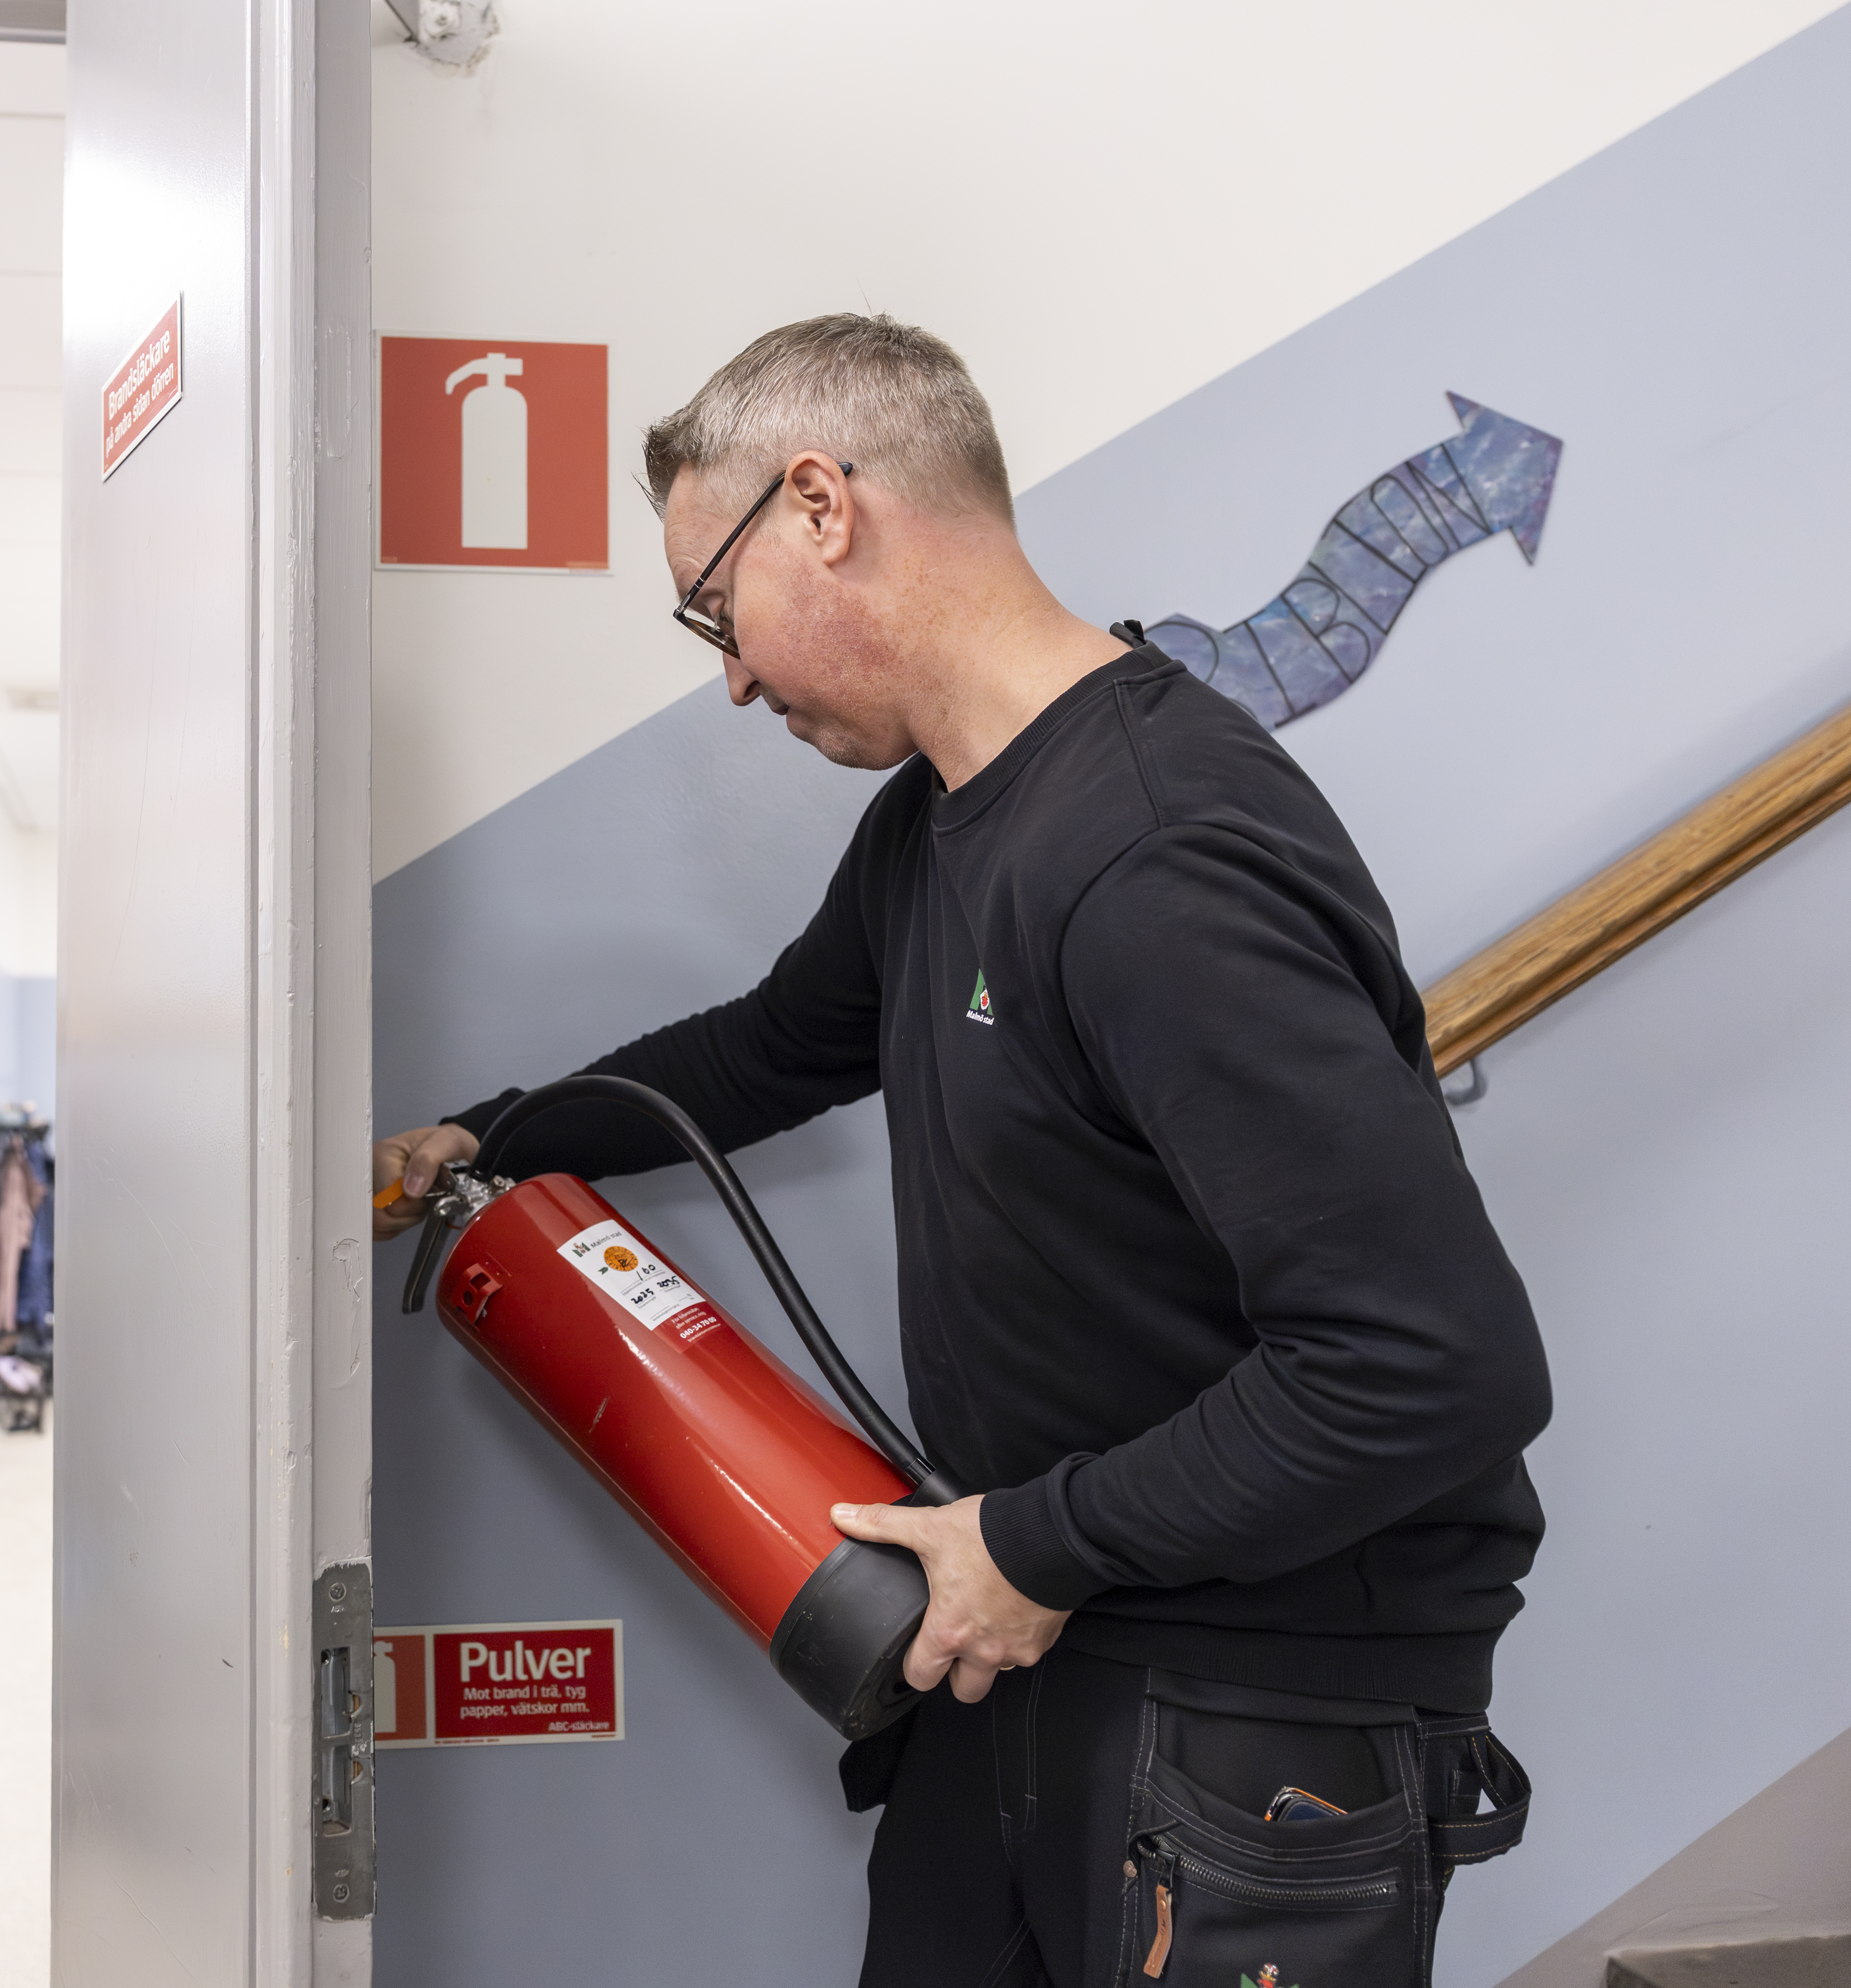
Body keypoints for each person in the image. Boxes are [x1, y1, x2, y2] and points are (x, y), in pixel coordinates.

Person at [373, 316, 1549, 1987]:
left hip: (1247, 1698)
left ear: (820, 507)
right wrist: (485, 1139)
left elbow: (1433, 1364)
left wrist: (1032, 1547)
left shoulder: (1152, 852)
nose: (728, 675)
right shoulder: (937, 818)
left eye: (715, 609)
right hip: (1029, 1639)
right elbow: (773, 1046)